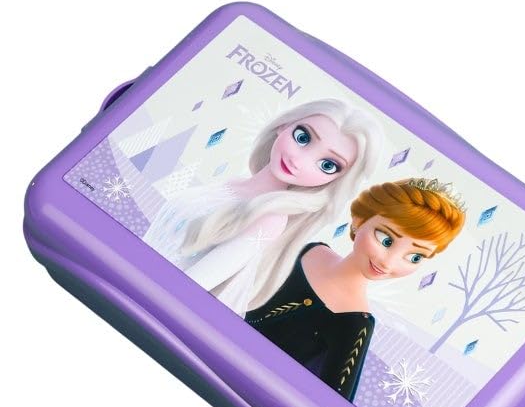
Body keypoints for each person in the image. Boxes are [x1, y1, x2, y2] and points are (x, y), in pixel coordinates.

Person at [142, 98, 383, 315]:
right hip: (141, 279)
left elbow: (189, 289)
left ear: (336, 181)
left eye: (327, 165)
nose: (298, 160)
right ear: (283, 126)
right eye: (303, 138)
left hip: (150, 302)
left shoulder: (269, 219)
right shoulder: (233, 184)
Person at [245, 177, 466, 402]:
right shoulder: (309, 251)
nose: (388, 262)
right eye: (386, 240)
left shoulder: (354, 324)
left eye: (415, 257)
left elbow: (333, 405)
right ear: (359, 220)